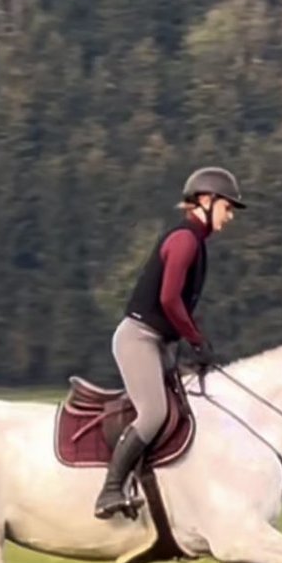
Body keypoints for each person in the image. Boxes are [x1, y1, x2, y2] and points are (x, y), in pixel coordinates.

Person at [93, 166, 245, 520]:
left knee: (191, 404)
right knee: (155, 413)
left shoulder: (195, 242)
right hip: (138, 339)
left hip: (159, 342)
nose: (231, 215)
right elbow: (168, 300)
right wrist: (195, 339)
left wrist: (192, 342)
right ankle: (110, 489)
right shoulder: (184, 240)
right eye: (228, 206)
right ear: (205, 201)